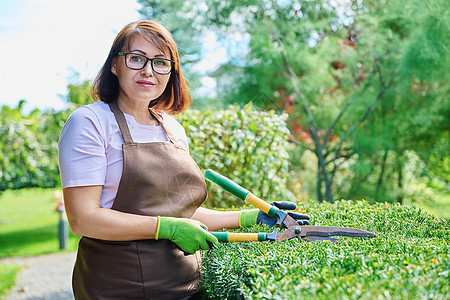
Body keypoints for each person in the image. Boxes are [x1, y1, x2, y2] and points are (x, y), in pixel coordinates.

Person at [58, 20, 309, 299]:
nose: (148, 70)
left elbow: (180, 213)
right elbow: (83, 219)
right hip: (118, 287)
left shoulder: (172, 128)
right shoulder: (90, 122)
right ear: (114, 65)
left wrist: (249, 217)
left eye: (160, 62)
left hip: (187, 286)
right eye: (136, 58)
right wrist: (164, 228)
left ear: (171, 72)